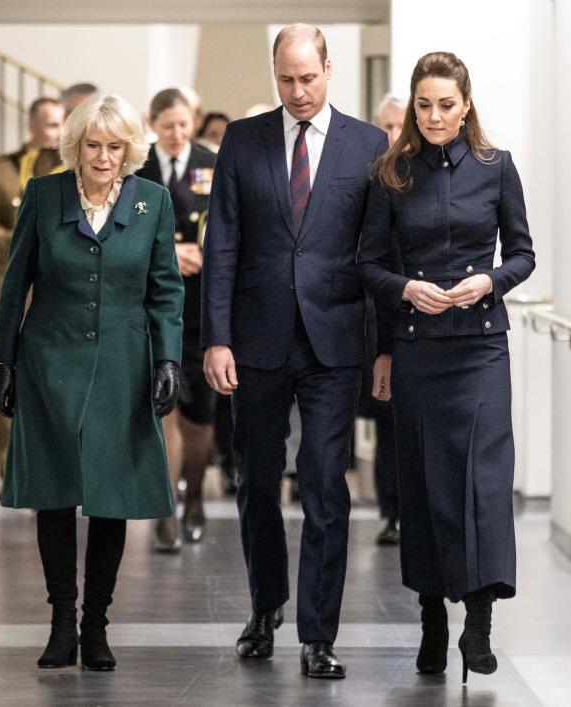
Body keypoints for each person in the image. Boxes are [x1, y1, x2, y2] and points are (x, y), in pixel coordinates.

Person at [201, 24, 388, 679]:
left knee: (324, 484)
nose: (298, 91)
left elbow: (381, 253)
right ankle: (265, 606)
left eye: (308, 78)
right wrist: (216, 337)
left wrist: (383, 346)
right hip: (255, 338)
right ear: (273, 75)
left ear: (329, 70)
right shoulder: (243, 141)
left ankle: (318, 633)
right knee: (256, 480)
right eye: (286, 79)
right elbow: (221, 242)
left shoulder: (369, 145)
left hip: (335, 341)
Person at [0, 94, 183, 671]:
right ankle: (60, 624)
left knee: (110, 496)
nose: (103, 157)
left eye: (115, 146)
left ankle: (95, 625)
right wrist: (3, 361)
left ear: (130, 149)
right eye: (93, 145)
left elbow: (166, 287)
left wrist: (169, 360)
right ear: (75, 145)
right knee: (54, 491)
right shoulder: (46, 196)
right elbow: (15, 278)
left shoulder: (154, 201)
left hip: (124, 364)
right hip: (49, 360)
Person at [358, 51, 535, 683]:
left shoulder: (496, 168)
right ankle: (433, 620)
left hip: (480, 348)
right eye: (425, 105)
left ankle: (479, 627)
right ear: (413, 106)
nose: (435, 116)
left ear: (466, 106)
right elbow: (368, 266)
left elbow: (523, 254)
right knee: (427, 486)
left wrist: (489, 280)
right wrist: (405, 290)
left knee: (484, 484)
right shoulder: (391, 174)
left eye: (447, 105)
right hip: (416, 349)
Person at [137, 88, 218, 552]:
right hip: (152, 306)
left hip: (202, 304)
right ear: (153, 122)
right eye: (167, 125)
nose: (176, 134)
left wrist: (201, 254)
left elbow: (231, 231)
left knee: (199, 415)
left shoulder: (213, 162)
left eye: (184, 125)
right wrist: (168, 252)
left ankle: (195, 501)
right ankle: (165, 511)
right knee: (161, 408)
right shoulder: (137, 165)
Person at [0, 96, 65, 485]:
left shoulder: (75, 169)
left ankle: (56, 471)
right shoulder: (0, 169)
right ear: (31, 124)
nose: (52, 132)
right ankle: (12, 473)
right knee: (10, 379)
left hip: (60, 289)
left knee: (58, 384)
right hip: (8, 285)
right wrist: (27, 242)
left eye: (59, 124)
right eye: (46, 123)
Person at [362, 91, 409, 546]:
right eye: (386, 127)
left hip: (420, 316)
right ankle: (391, 512)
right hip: (378, 320)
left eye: (399, 126)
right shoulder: (373, 177)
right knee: (386, 423)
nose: (392, 136)